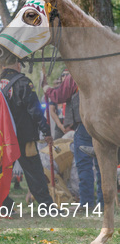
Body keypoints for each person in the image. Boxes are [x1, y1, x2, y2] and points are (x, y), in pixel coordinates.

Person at [0, 61, 56, 210]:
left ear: (3, 67)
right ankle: (47, 206)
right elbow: (35, 111)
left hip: (1, 139)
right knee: (34, 172)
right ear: (17, 65)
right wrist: (46, 131)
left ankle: (3, 204)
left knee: (0, 173)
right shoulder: (24, 83)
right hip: (24, 138)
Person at [44, 73, 103, 210]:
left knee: (84, 165)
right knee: (102, 164)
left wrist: (46, 87)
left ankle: (87, 203)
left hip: (84, 124)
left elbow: (59, 96)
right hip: (102, 124)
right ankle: (103, 203)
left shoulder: (77, 72)